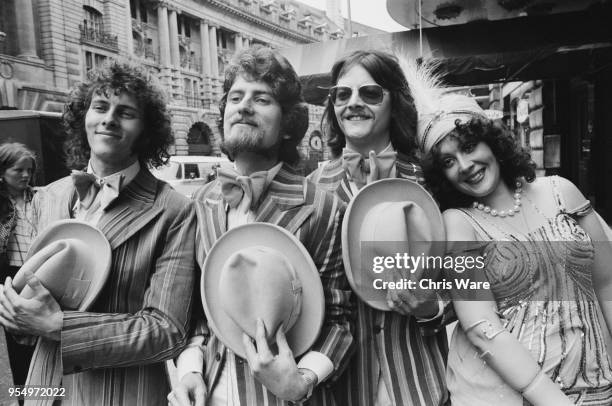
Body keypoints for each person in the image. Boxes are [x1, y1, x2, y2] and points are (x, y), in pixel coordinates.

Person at [0, 60, 196, 406]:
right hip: (43, 390)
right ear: (83, 118)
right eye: (100, 107)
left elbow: (168, 331)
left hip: (121, 394)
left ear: (146, 130)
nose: (109, 118)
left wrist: (60, 326)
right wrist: (18, 313)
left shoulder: (174, 210)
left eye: (126, 112)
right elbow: (39, 291)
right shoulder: (52, 194)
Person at [168, 45, 353, 406]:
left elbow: (339, 320)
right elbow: (198, 313)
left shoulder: (324, 207)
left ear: (288, 125)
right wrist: (190, 369)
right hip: (211, 392)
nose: (244, 106)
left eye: (262, 99)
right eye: (236, 97)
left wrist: (303, 381)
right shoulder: (202, 201)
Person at [420, 93, 612, 405]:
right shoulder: (458, 224)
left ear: (492, 142)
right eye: (448, 161)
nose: (465, 166)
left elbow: (607, 282)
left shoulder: (562, 191)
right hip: (521, 396)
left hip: (600, 385)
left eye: (468, 147)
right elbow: (482, 328)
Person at [308, 50, 448, 406]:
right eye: (342, 95)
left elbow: (464, 278)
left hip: (420, 380)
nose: (353, 103)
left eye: (370, 93)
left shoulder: (432, 182)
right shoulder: (311, 190)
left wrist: (431, 308)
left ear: (394, 103)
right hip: (338, 384)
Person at [0, 142, 37, 385]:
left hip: (41, 274)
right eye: (18, 170)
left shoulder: (40, 197)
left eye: (29, 170)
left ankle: (52, 398)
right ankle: (25, 398)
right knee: (19, 350)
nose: (25, 175)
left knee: (44, 344)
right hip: (11, 278)